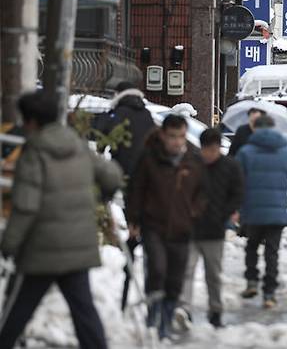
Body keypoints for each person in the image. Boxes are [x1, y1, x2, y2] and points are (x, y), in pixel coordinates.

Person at [0, 91, 123, 349]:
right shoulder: (77, 145)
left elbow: (26, 207)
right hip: (77, 248)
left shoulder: (34, 153)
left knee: (16, 310)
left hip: (41, 250)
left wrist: (8, 244)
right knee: (84, 312)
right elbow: (112, 174)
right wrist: (103, 195)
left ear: (32, 120)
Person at [126, 114, 206, 340]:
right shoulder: (149, 158)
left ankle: (167, 322)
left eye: (181, 136)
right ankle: (154, 317)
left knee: (175, 280)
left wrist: (196, 213)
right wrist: (133, 219)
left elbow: (203, 192)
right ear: (163, 135)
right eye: (172, 137)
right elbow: (135, 189)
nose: (177, 142)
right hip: (154, 225)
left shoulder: (192, 159)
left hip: (183, 227)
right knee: (158, 269)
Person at [96, 81, 156, 312]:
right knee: (139, 221)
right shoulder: (148, 115)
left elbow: (102, 138)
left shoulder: (118, 114)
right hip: (146, 178)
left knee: (128, 216)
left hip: (121, 175)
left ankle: (128, 247)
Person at [236, 115, 287, 309]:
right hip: (277, 213)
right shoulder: (286, 153)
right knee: (272, 252)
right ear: (273, 128)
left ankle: (251, 281)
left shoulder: (245, 152)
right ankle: (269, 293)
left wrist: (236, 207)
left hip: (252, 212)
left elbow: (235, 182)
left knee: (251, 246)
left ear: (256, 129)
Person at [178, 129, 244, 329]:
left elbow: (238, 193)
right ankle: (184, 310)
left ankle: (215, 311)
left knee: (213, 274)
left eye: (214, 150)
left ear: (219, 148)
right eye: (207, 149)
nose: (210, 154)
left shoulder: (230, 166)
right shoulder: (192, 165)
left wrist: (225, 214)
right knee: (187, 270)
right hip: (190, 228)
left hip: (215, 230)